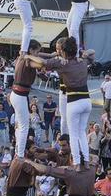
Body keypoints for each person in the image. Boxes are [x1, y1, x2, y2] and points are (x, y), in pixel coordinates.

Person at [26, 37, 91, 168]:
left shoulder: (63, 63)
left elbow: (43, 62)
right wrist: (85, 53)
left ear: (65, 52)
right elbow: (92, 53)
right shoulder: (82, 61)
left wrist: (27, 55)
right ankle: (87, 162)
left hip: (74, 102)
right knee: (81, 133)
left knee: (73, 134)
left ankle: (77, 163)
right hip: (87, 101)